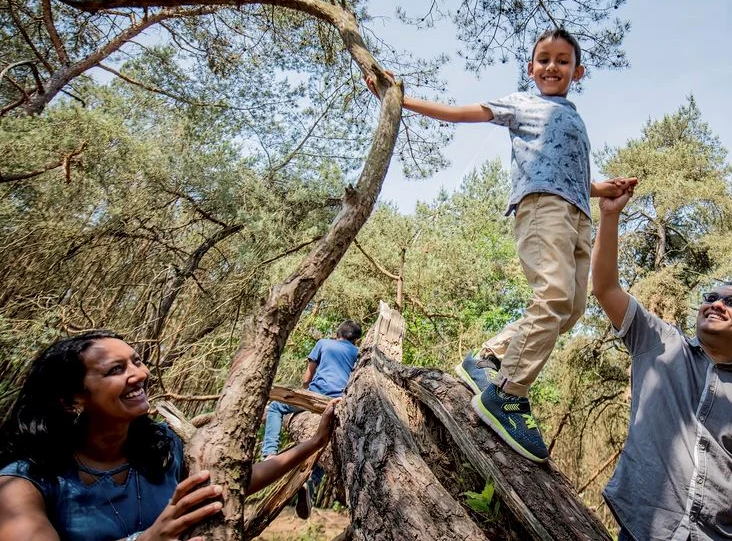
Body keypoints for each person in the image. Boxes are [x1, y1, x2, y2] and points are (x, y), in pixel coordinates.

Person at [367, 28, 636, 463]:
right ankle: (506, 395)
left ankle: (488, 358)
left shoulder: (575, 120)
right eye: (544, 59)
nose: (552, 66)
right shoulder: (521, 103)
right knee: (551, 294)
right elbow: (458, 113)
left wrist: (602, 188)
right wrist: (399, 97)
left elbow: (569, 176)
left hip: (578, 215)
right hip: (542, 208)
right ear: (531, 68)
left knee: (570, 309)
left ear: (578, 71)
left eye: (563, 61)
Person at [591, 190, 732, 541]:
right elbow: (605, 287)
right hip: (644, 532)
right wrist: (610, 216)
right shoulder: (658, 342)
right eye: (711, 298)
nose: (717, 304)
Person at [0, 330, 340, 541]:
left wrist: (312, 444)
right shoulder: (22, 485)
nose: (139, 374)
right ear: (70, 399)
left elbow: (232, 481)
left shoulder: (161, 446)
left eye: (136, 361)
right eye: (116, 370)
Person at [260, 320, 360, 518]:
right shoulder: (358, 353)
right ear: (356, 340)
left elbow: (308, 376)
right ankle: (311, 483)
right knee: (324, 441)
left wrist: (304, 394)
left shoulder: (323, 343)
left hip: (316, 397)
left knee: (275, 407)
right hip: (337, 403)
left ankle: (269, 453)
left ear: (337, 333)